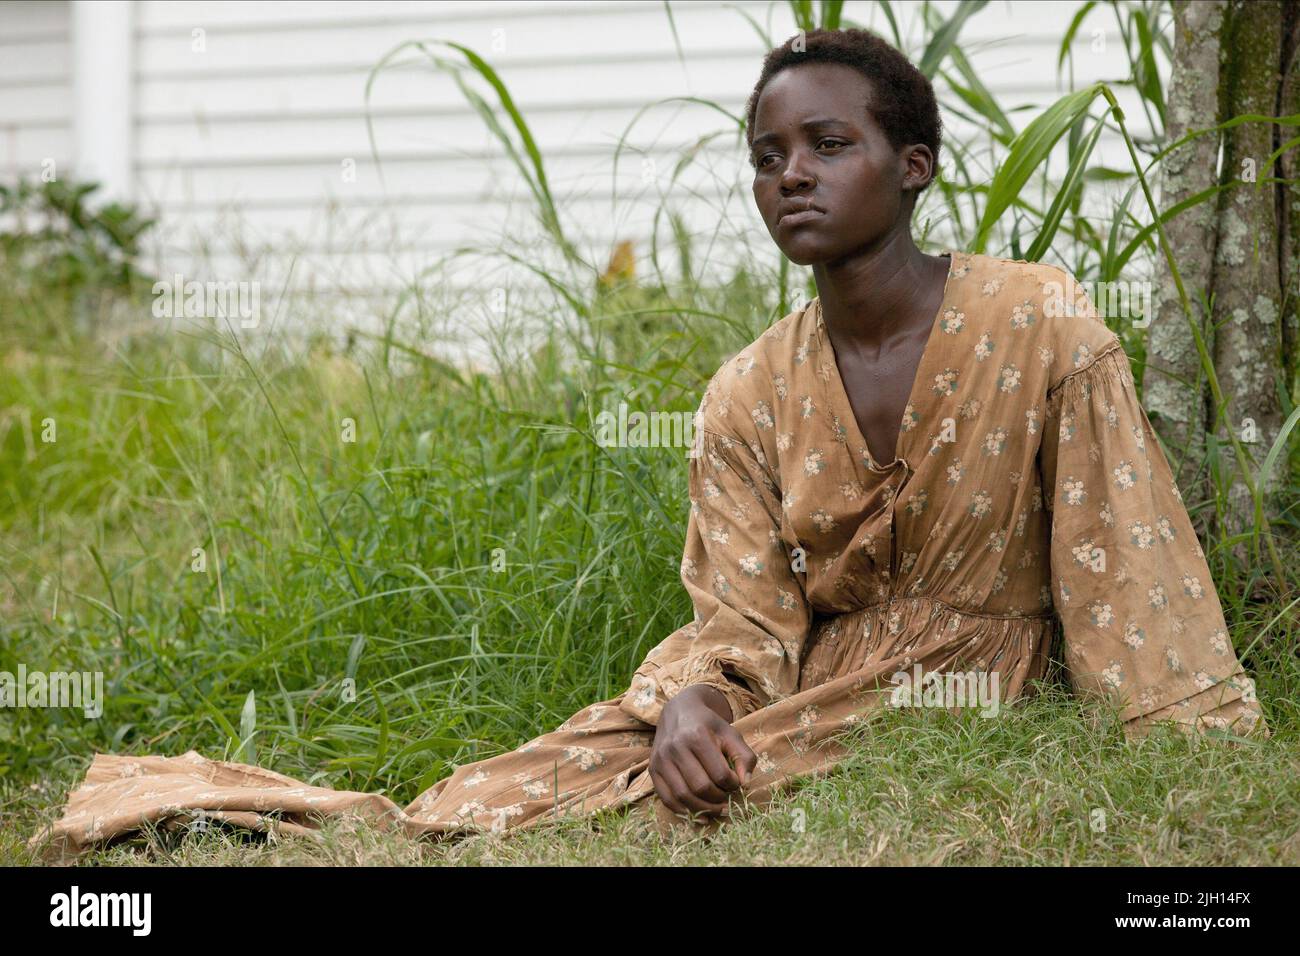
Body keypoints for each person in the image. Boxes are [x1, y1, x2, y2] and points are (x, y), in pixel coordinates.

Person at [33, 27, 1267, 861]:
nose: (792, 175)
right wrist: (687, 697)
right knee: (515, 785)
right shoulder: (747, 388)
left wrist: (1183, 735)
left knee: (645, 806)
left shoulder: (1036, 321)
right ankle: (217, 814)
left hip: (967, 682)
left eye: (828, 145)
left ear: (914, 164)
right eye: (767, 156)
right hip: (806, 670)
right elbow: (740, 610)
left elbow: (1124, 553)